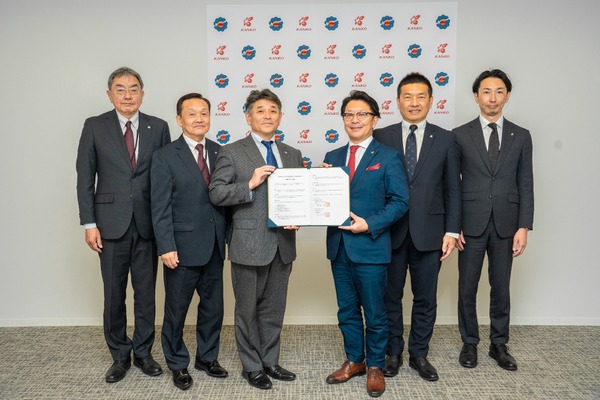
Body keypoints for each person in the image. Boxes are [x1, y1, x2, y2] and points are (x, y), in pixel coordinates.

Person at [76, 67, 170, 382]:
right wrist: (89, 223)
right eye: (120, 89)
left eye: (133, 89)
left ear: (142, 93)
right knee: (114, 294)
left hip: (148, 225)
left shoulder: (159, 127)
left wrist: (165, 225)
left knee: (146, 295)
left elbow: (165, 179)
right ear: (109, 94)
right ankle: (119, 356)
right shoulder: (94, 126)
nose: (127, 95)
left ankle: (143, 353)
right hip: (109, 224)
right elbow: (85, 178)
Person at [208, 89, 303, 390]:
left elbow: (299, 195)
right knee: (247, 310)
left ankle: (270, 361)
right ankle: (252, 366)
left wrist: (302, 212)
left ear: (280, 116)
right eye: (260, 110)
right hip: (248, 244)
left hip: (283, 244)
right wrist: (248, 184)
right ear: (248, 117)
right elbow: (216, 192)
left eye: (273, 110)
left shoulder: (292, 153)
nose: (267, 115)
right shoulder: (232, 151)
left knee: (274, 309)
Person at [373, 72, 461, 381]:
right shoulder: (381, 136)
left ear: (431, 101)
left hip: (431, 233)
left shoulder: (446, 139)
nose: (414, 102)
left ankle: (419, 354)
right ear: (397, 101)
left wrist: (452, 231)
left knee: (425, 298)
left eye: (420, 96)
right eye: (407, 97)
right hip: (390, 233)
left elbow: (453, 189)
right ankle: (393, 353)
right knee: (390, 297)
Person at [323, 90, 409, 398]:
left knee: (374, 313)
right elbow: (323, 202)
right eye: (349, 114)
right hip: (339, 247)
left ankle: (374, 365)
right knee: (346, 310)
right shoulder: (332, 157)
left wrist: (369, 224)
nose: (355, 120)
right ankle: (354, 360)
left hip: (371, 247)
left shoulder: (388, 157)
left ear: (374, 119)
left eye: (362, 114)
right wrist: (317, 188)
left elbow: (400, 202)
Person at [454, 69, 534, 371]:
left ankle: (499, 344)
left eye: (499, 91)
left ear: (507, 96)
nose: (493, 98)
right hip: (470, 223)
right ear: (476, 96)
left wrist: (523, 226)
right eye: (486, 91)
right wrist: (453, 226)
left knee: (501, 287)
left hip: (507, 224)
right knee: (467, 287)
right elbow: (452, 185)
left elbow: (526, 183)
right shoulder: (459, 135)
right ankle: (470, 343)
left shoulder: (521, 135)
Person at [150, 93, 229, 390]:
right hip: (180, 248)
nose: (199, 119)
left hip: (214, 246)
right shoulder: (165, 155)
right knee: (176, 311)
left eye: (204, 113)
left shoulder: (221, 151)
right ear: (179, 119)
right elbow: (159, 206)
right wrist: (166, 246)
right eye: (192, 114)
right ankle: (178, 363)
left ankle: (207, 358)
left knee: (213, 308)